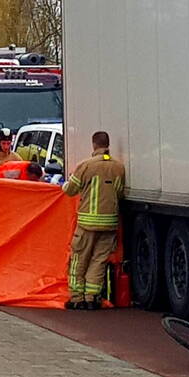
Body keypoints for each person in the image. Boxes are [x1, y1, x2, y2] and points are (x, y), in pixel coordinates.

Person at [62, 131, 126, 310]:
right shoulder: (119, 167)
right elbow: (120, 192)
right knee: (98, 261)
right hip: (110, 223)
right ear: (108, 145)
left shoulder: (86, 166)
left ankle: (76, 298)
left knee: (79, 259)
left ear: (93, 145)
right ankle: (91, 298)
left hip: (87, 224)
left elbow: (70, 190)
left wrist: (63, 184)